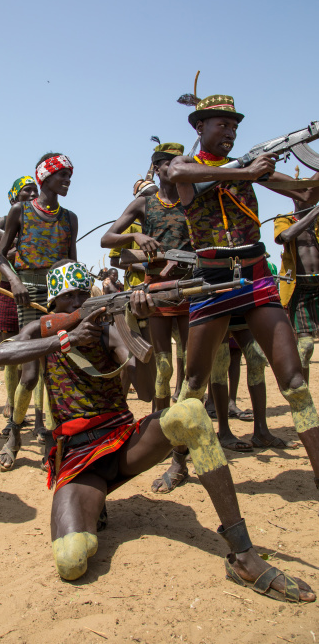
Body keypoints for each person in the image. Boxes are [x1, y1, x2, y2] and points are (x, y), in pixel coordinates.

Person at [0, 260, 315, 602]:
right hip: (77, 458)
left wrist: (137, 322)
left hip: (123, 443)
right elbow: (1, 353)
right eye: (67, 298)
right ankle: (92, 506)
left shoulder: (108, 330)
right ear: (54, 304)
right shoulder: (44, 330)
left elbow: (146, 390)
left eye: (81, 295)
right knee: (71, 562)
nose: (75, 304)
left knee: (190, 412)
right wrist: (65, 339)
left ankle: (243, 555)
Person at [166, 92, 319, 490]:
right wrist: (247, 174)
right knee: (193, 386)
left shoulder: (249, 168)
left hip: (255, 274)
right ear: (199, 127)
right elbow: (180, 176)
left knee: (296, 384)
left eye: (235, 125)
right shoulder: (186, 165)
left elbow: (304, 195)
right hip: (213, 279)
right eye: (222, 124)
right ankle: (177, 462)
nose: (230, 131)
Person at [102, 142, 192, 491]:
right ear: (156, 169)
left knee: (189, 373)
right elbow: (108, 240)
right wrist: (137, 236)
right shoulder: (145, 203)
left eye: (180, 162)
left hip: (193, 291)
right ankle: (161, 443)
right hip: (156, 295)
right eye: (168, 164)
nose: (175, 168)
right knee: (163, 371)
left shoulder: (193, 197)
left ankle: (180, 454)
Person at [0, 153, 78, 470]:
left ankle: (54, 442)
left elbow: (71, 263)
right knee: (29, 374)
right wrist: (14, 280)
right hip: (28, 296)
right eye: (62, 175)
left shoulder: (70, 218)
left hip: (59, 297)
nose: (68, 180)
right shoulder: (20, 211)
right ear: (44, 177)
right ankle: (14, 434)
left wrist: (78, 299)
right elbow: (1, 257)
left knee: (59, 371)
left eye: (70, 175)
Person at [0, 175, 39, 426]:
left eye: (35, 190)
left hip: (36, 287)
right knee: (9, 347)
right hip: (8, 287)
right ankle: (11, 403)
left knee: (36, 351)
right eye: (27, 190)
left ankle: (35, 413)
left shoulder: (40, 219)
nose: (32, 194)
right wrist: (16, 251)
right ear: (15, 196)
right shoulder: (6, 221)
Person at [275, 200, 319, 383]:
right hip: (298, 287)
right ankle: (304, 394)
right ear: (294, 198)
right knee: (306, 346)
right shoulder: (284, 220)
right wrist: (314, 212)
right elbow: (285, 236)